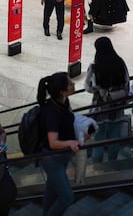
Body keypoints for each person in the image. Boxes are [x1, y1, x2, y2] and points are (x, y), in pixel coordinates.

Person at [38, 72, 79, 216]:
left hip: (61, 157)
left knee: (52, 190)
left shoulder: (63, 102)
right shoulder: (52, 112)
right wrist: (71, 142)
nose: (73, 84)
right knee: (67, 197)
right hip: (52, 159)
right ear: (62, 91)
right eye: (69, 83)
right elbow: (53, 142)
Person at [84, 37, 129, 163]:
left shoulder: (94, 66)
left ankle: (97, 165)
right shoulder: (120, 63)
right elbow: (126, 84)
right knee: (115, 136)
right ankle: (112, 162)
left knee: (99, 138)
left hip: (100, 107)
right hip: (118, 106)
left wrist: (99, 91)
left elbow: (87, 87)